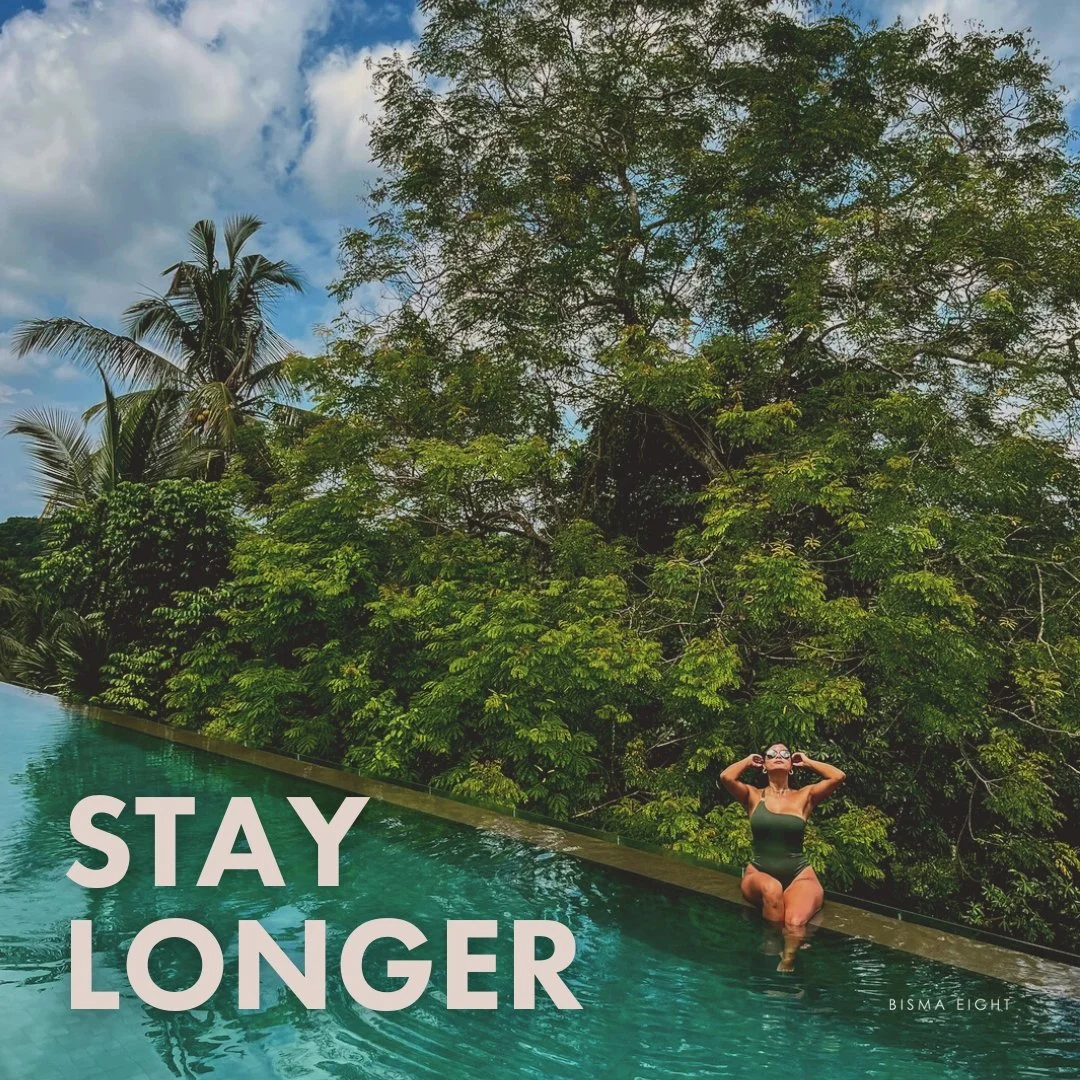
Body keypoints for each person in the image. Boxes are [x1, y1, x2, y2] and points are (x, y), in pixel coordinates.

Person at [719, 743, 845, 970]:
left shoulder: (805, 796)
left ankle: (788, 960)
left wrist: (807, 761)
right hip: (759, 873)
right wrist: (748, 761)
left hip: (799, 874)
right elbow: (726, 777)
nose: (778, 756)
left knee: (795, 923)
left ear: (791, 766)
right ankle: (770, 949)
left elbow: (837, 776)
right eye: (771, 755)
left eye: (784, 754)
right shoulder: (753, 795)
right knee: (772, 889)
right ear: (764, 765)